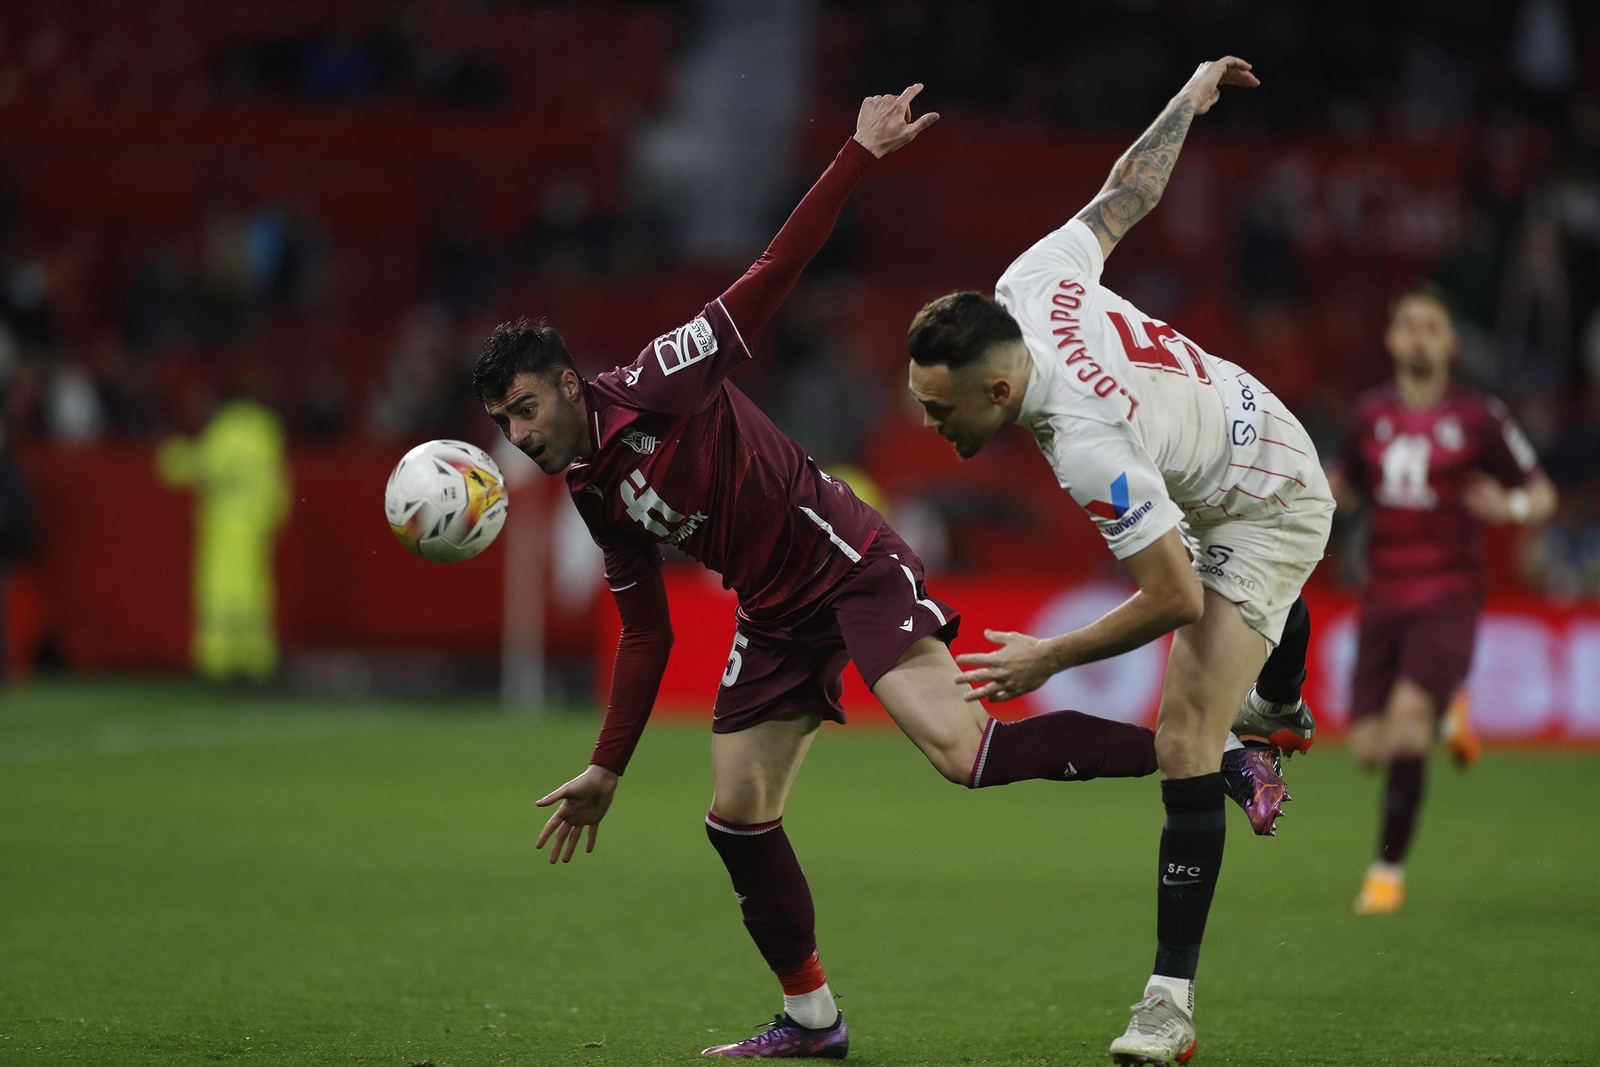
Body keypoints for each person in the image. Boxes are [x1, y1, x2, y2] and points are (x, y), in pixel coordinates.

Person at [473, 87, 1287, 1060]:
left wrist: (856, 154)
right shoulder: (592, 489)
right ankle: (813, 1020)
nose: (519, 437)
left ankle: (1214, 759)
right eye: (503, 425)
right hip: (772, 607)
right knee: (735, 817)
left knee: (963, 753)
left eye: (525, 410)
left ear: (567, 383)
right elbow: (649, 630)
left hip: (844, 556)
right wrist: (608, 763)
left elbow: (773, 270)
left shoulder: (658, 379)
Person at [903, 57, 1331, 1065]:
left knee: (1185, 731)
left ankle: (1167, 1005)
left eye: (940, 408)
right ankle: (1276, 700)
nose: (928, 426)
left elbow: (1174, 594)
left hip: (1267, 499)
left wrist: (1048, 657)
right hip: (1231, 423)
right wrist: (1188, 98)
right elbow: (1123, 195)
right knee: (1228, 686)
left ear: (998, 392)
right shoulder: (1028, 281)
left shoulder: (1084, 441)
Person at [1330, 284, 1555, 916]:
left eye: (1432, 326)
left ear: (1451, 342)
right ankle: (1448, 712)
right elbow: (1343, 486)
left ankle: (1385, 875)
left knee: (1405, 723)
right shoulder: (1368, 413)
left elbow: (1541, 494)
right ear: (1392, 339)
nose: (1420, 336)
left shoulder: (1481, 416)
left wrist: (1509, 506)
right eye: (1410, 326)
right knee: (1369, 750)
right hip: (1382, 593)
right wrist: (1322, 501)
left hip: (1447, 592)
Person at [156, 395, 291, 683]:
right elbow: (278, 486)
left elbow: (203, 466)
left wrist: (171, 457)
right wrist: (270, 522)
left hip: (224, 529)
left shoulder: (226, 430)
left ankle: (218, 659)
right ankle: (256, 658)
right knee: (254, 591)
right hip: (254, 529)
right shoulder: (264, 434)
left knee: (220, 591)